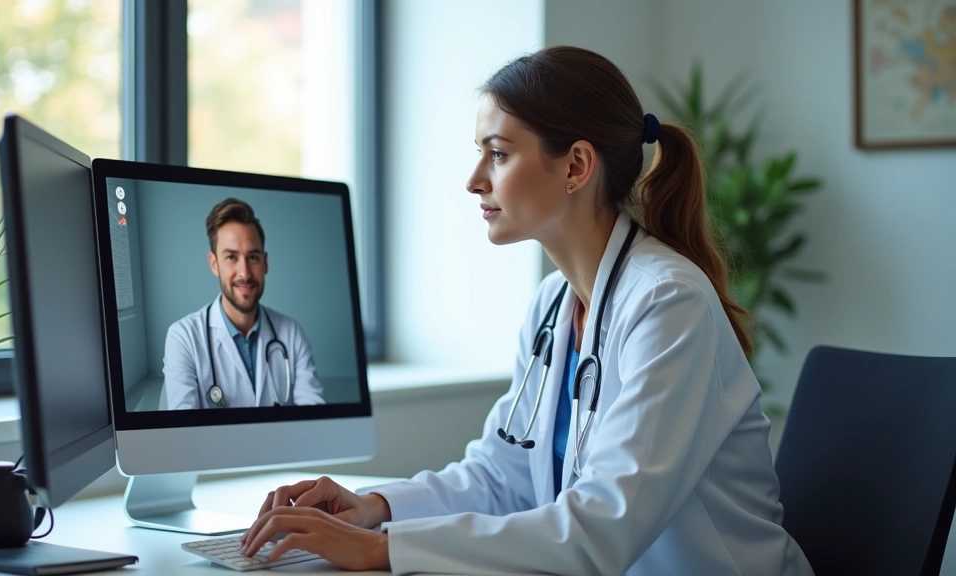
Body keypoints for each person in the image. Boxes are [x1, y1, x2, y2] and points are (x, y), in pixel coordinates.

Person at [239, 46, 814, 575]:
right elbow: (502, 475)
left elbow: (601, 529)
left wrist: (383, 549)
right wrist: (375, 508)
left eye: (498, 154)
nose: (474, 180)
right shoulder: (553, 305)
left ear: (575, 167)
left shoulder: (669, 303)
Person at [163, 198, 325, 409]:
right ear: (214, 264)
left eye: (253, 258)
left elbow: (316, 418)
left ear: (265, 262)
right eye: (231, 257)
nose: (245, 273)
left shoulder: (291, 333)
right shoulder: (183, 338)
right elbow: (182, 433)